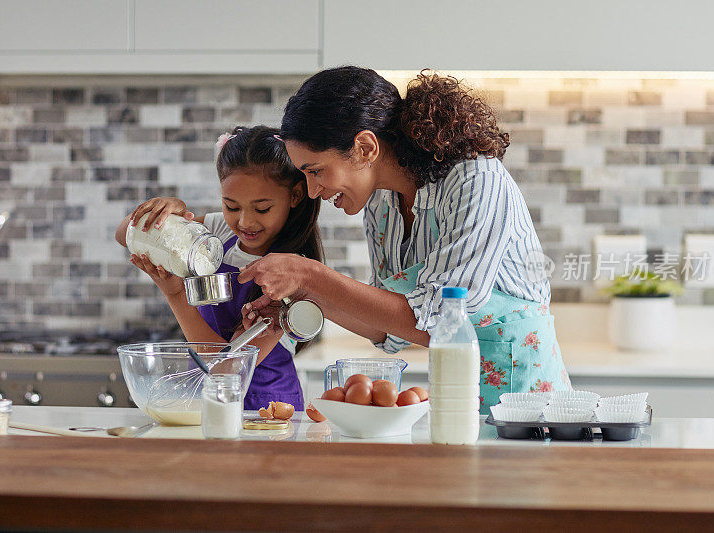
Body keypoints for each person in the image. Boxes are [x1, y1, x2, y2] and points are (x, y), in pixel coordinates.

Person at [238, 67, 571, 412]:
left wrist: (310, 274)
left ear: (365, 148)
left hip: (527, 402)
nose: (311, 190)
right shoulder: (380, 202)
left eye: (316, 170)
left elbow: (442, 323)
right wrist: (304, 295)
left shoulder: (476, 181)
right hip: (456, 397)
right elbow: (389, 328)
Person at [115, 125, 321, 411]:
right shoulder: (218, 231)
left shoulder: (291, 274)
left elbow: (227, 368)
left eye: (262, 209)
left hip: (266, 410)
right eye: (232, 206)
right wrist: (168, 215)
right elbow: (124, 232)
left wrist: (175, 294)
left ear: (295, 195)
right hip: (211, 399)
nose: (245, 222)